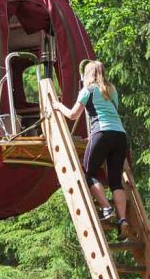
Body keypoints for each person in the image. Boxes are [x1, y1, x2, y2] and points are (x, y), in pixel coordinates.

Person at [53, 59, 129, 232]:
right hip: (120, 135)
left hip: (101, 133)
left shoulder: (87, 90)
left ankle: (106, 207)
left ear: (87, 74)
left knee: (88, 173)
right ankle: (123, 219)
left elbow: (73, 115)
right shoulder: (111, 89)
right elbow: (110, 112)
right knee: (116, 180)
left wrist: (58, 106)